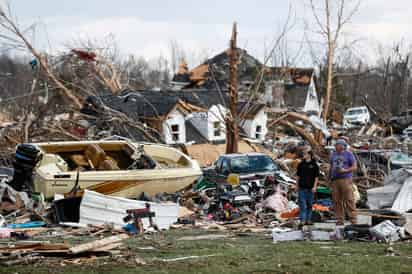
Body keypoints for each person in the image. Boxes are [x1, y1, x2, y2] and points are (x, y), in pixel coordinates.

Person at [329, 139, 357, 225]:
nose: (335, 146)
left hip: (346, 179)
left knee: (349, 199)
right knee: (336, 200)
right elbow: (331, 167)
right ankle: (340, 219)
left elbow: (354, 167)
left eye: (337, 145)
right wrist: (329, 178)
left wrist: (345, 170)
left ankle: (353, 219)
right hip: (335, 180)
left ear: (342, 146)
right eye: (335, 144)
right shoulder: (333, 155)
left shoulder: (349, 154)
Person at [296, 147, 319, 226]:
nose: (303, 155)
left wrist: (315, 187)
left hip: (310, 188)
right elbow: (298, 176)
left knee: (309, 204)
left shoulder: (314, 165)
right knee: (303, 204)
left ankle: (308, 220)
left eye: (305, 154)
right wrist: (297, 185)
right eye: (303, 154)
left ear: (309, 155)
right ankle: (302, 220)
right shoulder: (301, 164)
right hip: (302, 187)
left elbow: (316, 177)